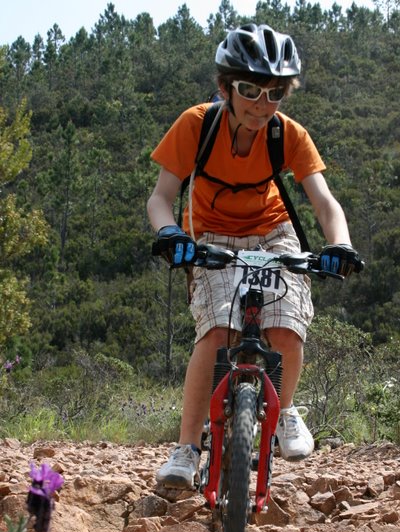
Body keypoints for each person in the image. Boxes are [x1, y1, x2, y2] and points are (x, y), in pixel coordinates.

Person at [147, 23, 361, 488]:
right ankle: (186, 447)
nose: (262, 104)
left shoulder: (288, 134)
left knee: (286, 325)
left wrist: (340, 243)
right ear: (226, 87)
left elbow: (324, 202)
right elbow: (161, 197)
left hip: (273, 232)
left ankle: (282, 413)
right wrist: (169, 234)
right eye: (250, 90)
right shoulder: (196, 125)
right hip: (210, 236)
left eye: (275, 93)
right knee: (218, 329)